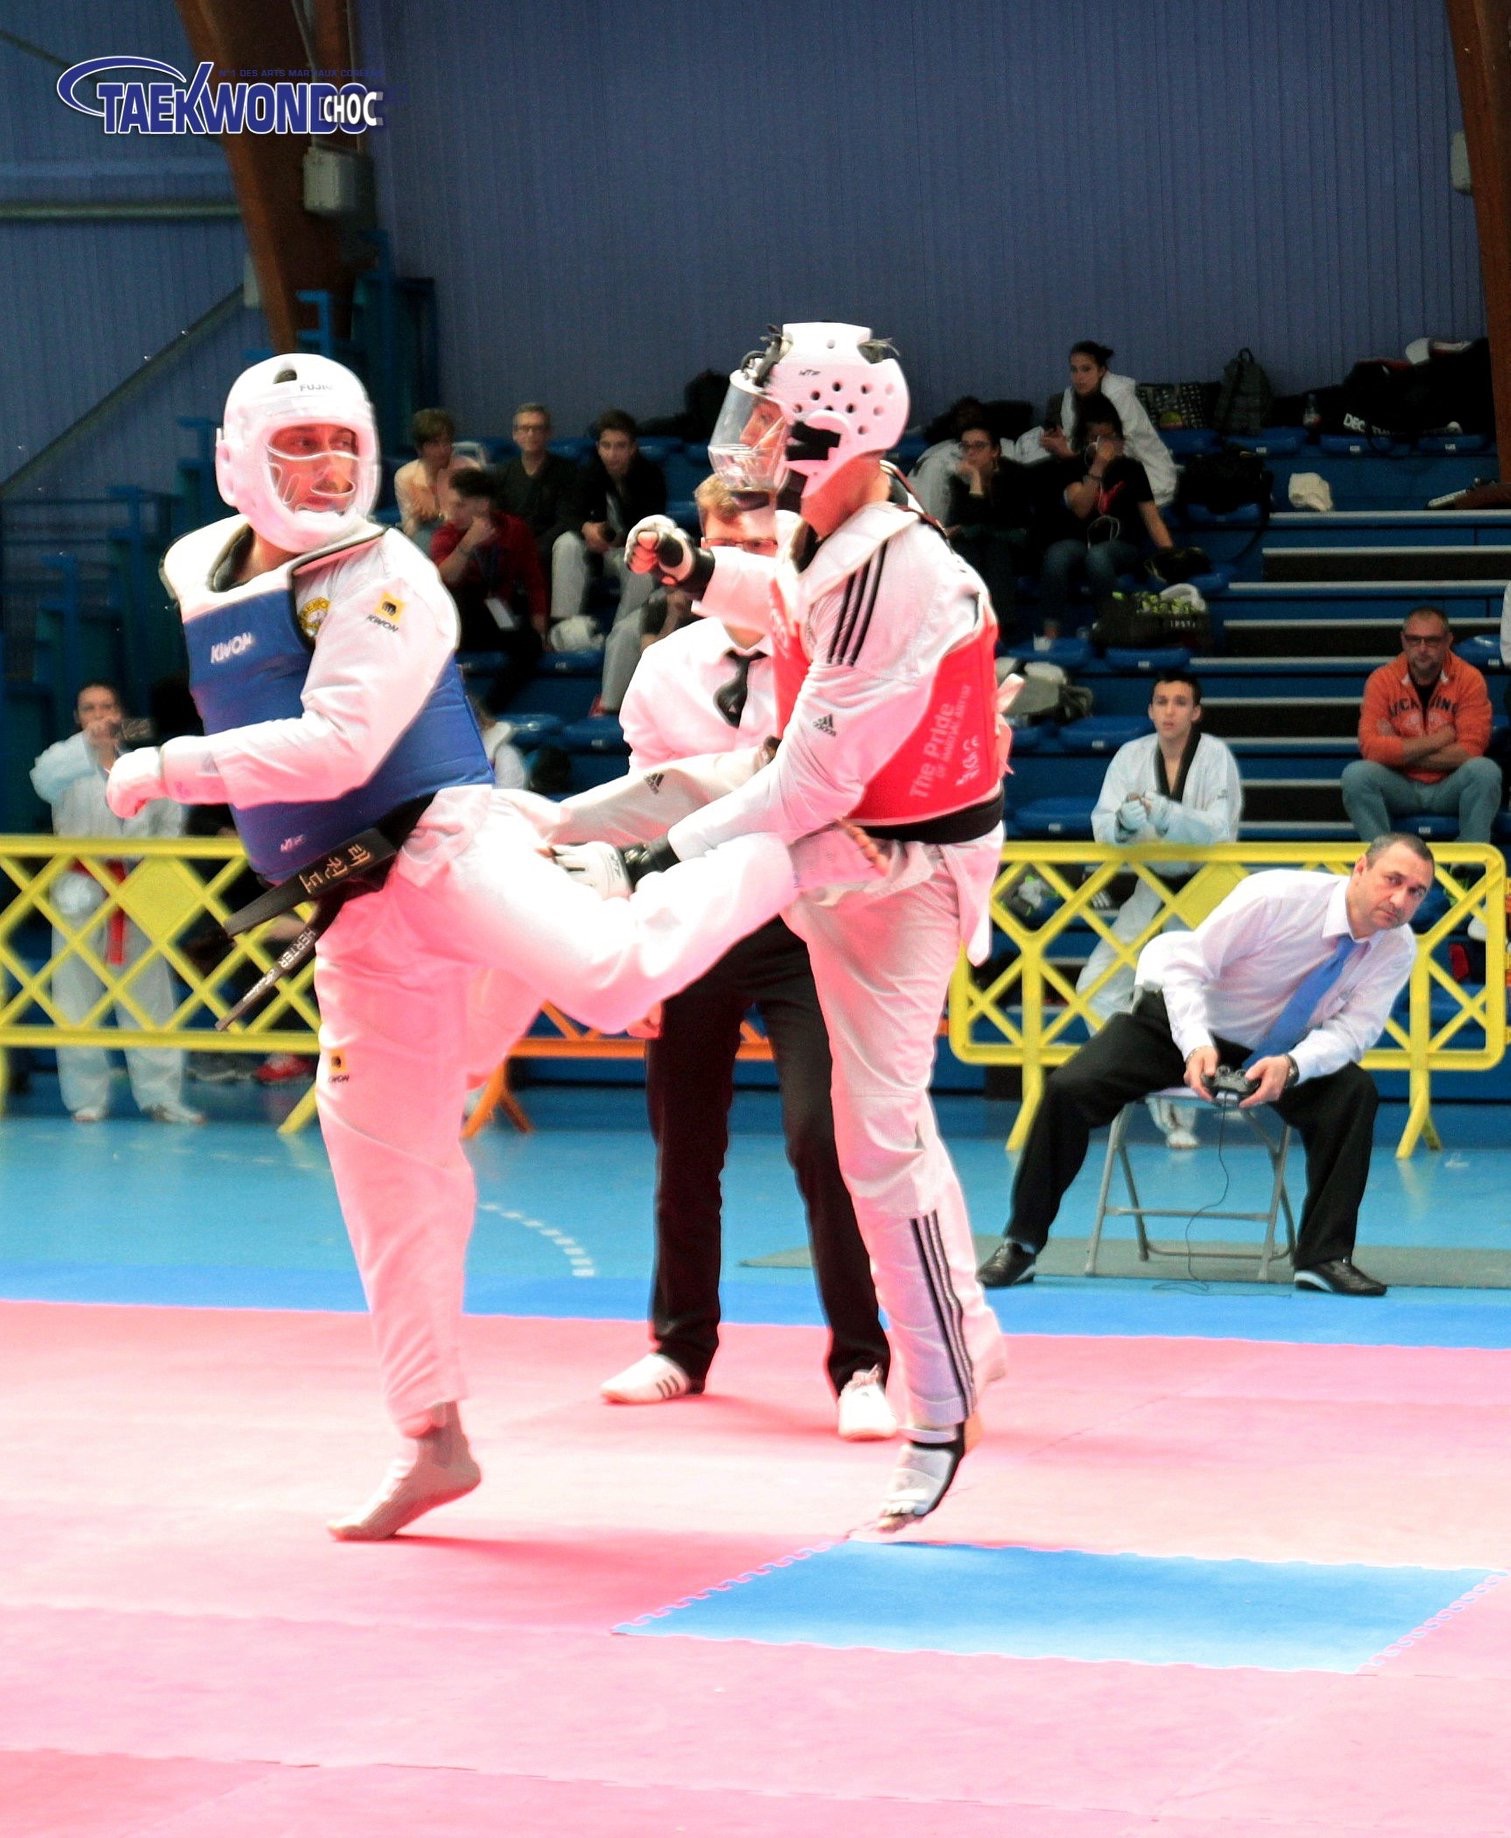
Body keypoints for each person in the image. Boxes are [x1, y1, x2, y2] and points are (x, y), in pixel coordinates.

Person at [106, 353, 880, 1542]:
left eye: (339, 444)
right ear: (236, 459)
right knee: (386, 1165)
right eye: (296, 445)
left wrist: (169, 765)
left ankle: (794, 847)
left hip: (449, 853)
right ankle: (431, 1434)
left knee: (610, 975)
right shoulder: (197, 562)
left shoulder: (388, 575)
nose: (322, 469)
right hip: (352, 912)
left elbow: (339, 743)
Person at [622, 321, 1009, 1531]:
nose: (748, 439)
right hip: (855, 847)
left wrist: (667, 851)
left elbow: (805, 784)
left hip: (903, 868)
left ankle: (935, 1406)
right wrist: (699, 572)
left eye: (770, 419)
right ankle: (967, 1335)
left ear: (832, 430)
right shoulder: (830, 530)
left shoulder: (900, 573)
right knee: (884, 1132)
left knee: (873, 1144)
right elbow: (786, 600)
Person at [599, 477, 894, 1440]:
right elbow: (638, 809)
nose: (745, 554)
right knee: (684, 1142)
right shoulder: (664, 669)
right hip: (694, 916)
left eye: (762, 541)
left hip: (807, 918)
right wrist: (635, 943)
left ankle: (861, 1365)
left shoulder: (829, 652)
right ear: (702, 544)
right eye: (727, 539)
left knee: (821, 1138)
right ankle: (679, 1346)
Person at [978, 833, 1432, 1297]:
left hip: (1279, 1051)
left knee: (1353, 1095)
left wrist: (1293, 1065)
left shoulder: (1397, 948)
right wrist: (1195, 1044)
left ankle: (1323, 1258)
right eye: (1392, 880)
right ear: (1360, 868)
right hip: (1183, 1027)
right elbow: (1186, 969)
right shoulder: (1276, 897)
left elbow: (1354, 1031)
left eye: (1416, 891)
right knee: (1068, 1088)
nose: (1400, 900)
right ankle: (1021, 1245)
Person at [1075, 672, 1243, 1149]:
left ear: (1196, 712)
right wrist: (1123, 827)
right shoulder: (1130, 756)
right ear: (1150, 710)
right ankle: (1142, 1077)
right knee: (1095, 986)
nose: (1170, 711)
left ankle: (1186, 1111)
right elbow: (1102, 826)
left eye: (1180, 702)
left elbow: (1219, 829)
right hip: (1150, 888)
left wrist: (1171, 816)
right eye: (1161, 702)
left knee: (1187, 998)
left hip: (1203, 889)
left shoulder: (1215, 757)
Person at [30, 682, 202, 1126]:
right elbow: (40, 779)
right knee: (75, 996)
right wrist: (85, 746)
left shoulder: (143, 765)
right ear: (78, 718)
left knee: (151, 996)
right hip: (80, 886)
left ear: (121, 714)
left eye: (107, 706)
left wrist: (155, 867)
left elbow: (170, 819)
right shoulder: (63, 764)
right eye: (89, 708)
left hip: (136, 884)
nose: (99, 715)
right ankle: (86, 1098)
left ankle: (161, 1096)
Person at [1340, 605, 1499, 843]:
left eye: (1432, 641)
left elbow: (1470, 750)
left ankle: (1469, 860)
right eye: (1415, 640)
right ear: (1403, 640)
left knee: (1485, 771)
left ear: (1448, 641)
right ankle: (1385, 857)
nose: (1422, 649)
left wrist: (1397, 748)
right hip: (1400, 785)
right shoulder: (1382, 680)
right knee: (1356, 776)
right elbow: (1372, 749)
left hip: (1450, 785)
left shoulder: (1469, 679)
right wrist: (1439, 740)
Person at [551, 409, 667, 709]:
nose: (612, 454)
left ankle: (620, 632)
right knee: (566, 543)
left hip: (629, 547)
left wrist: (616, 538)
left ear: (633, 448)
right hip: (596, 552)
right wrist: (586, 529)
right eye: (606, 446)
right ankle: (565, 627)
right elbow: (568, 514)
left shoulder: (651, 475)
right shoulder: (587, 471)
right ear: (598, 447)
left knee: (643, 565)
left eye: (620, 446)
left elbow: (652, 525)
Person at [1034, 395, 1176, 640]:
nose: (1107, 445)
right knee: (1057, 555)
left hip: (1123, 546)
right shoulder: (1073, 466)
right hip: (1082, 542)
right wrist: (1097, 467)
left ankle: (1112, 625)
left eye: (1111, 437)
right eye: (1099, 438)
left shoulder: (1132, 468)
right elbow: (1081, 508)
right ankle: (1050, 634)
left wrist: (1171, 556)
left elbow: (1152, 518)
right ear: (1088, 440)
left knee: (1098, 556)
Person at [430, 467, 548, 715]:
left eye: (460, 505)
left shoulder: (514, 529)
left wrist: (540, 629)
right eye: (451, 505)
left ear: (483, 504)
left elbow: (534, 582)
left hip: (496, 616)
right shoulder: (447, 534)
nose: (452, 512)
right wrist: (467, 544)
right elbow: (445, 577)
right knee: (454, 604)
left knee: (530, 643)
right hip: (458, 619)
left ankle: (488, 710)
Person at [1014, 340, 1177, 507]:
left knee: (1057, 480)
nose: (1079, 377)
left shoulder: (1119, 398)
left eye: (1086, 369)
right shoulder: (1071, 396)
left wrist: (1069, 454)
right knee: (1035, 475)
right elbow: (1078, 437)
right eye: (1074, 370)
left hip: (1141, 472)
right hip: (1092, 464)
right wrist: (1061, 439)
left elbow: (1121, 451)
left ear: (1101, 371)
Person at [944, 419, 1039, 641]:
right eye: (966, 446)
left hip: (1018, 544)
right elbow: (969, 524)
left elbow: (1000, 523)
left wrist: (969, 525)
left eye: (979, 446)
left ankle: (1002, 631)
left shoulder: (1015, 476)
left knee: (994, 548)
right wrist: (975, 480)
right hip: (981, 543)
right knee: (964, 550)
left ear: (995, 450)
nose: (971, 453)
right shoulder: (961, 479)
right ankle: (967, 629)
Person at [493, 402, 580, 585]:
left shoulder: (567, 471)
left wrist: (535, 547)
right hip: (512, 544)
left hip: (551, 547)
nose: (531, 434)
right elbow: (497, 516)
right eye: (525, 428)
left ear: (548, 433)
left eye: (538, 428)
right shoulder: (502, 473)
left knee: (566, 544)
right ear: (515, 434)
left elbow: (567, 519)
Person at [392, 408, 476, 547]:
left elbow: (477, 518)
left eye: (446, 442)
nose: (442, 450)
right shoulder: (405, 477)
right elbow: (409, 529)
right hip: (426, 535)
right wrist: (418, 518)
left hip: (465, 535)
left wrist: (439, 516)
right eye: (434, 444)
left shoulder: (469, 469)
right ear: (420, 448)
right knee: (422, 538)